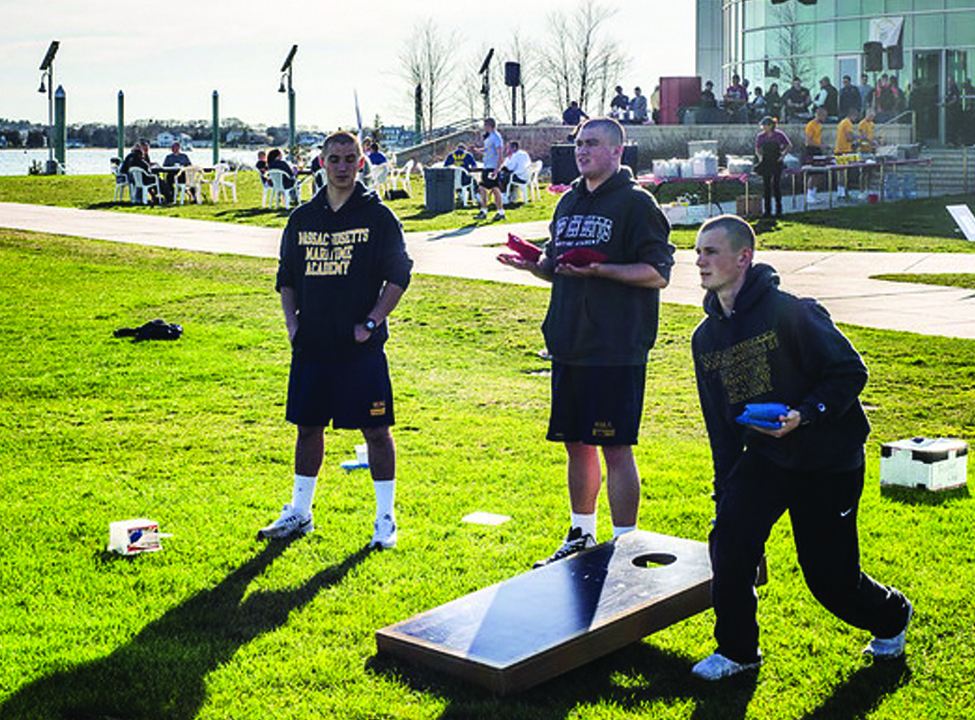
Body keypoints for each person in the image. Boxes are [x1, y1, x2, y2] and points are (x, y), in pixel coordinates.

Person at [688, 215, 912, 680]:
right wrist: (723, 486)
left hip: (827, 461)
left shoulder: (793, 311)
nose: (699, 260)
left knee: (830, 581)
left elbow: (850, 372)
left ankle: (892, 615)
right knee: (728, 541)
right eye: (698, 251)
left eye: (711, 251)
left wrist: (806, 414)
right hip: (766, 458)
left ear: (743, 257)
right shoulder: (705, 337)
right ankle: (737, 652)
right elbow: (720, 423)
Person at [496, 117, 674, 567]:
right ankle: (582, 533)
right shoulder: (569, 201)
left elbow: (657, 273)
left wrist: (602, 270)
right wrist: (533, 264)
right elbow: (557, 266)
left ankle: (627, 542)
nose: (581, 151)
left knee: (615, 447)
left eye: (591, 144)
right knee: (576, 442)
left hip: (616, 344)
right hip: (568, 341)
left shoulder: (638, 204)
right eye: (578, 144)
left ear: (617, 151)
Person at [262, 131, 413, 550]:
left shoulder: (378, 216)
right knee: (307, 428)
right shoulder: (303, 218)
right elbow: (286, 278)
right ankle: (300, 511)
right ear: (322, 163)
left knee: (376, 431)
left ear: (360, 163)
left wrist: (371, 321)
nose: (343, 166)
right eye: (335, 159)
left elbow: (400, 274)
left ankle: (386, 519)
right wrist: (292, 327)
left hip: (360, 348)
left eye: (350, 159)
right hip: (312, 345)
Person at [754, 116, 791, 218]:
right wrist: (760, 157)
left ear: (771, 126)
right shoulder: (761, 136)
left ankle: (779, 210)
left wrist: (782, 156)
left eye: (765, 125)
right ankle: (767, 211)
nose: (764, 128)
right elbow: (757, 148)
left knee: (776, 186)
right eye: (763, 126)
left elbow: (789, 145)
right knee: (766, 187)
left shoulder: (779, 135)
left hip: (776, 161)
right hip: (766, 162)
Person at [475, 117, 506, 221]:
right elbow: (487, 151)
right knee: (489, 188)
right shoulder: (489, 138)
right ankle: (494, 211)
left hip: (492, 167)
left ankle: (490, 211)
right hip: (487, 166)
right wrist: (476, 150)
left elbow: (500, 154)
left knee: (488, 188)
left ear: (489, 126)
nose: (484, 127)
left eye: (485, 125)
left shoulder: (496, 137)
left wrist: (497, 169)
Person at [803, 106, 829, 204]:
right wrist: (821, 145)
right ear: (819, 115)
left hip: (817, 149)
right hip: (811, 150)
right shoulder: (811, 125)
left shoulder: (820, 126)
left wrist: (822, 146)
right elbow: (808, 141)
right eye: (824, 116)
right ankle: (809, 195)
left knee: (819, 173)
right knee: (813, 173)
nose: (825, 118)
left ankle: (814, 194)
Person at [945, 77, 963, 146]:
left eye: (949, 81)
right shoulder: (950, 88)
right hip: (952, 110)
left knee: (952, 126)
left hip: (954, 111)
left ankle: (953, 142)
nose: (948, 82)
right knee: (951, 126)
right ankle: (952, 141)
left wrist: (946, 104)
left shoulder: (954, 88)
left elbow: (955, 99)